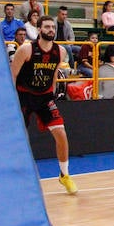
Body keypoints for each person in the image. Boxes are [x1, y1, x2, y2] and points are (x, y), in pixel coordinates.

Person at [10, 15, 77, 194]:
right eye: (47, 27)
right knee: (20, 138)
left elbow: (54, 72)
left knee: (61, 134)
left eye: (53, 28)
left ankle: (65, 175)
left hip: (45, 98)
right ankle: (17, 175)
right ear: (39, 29)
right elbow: (12, 75)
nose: (51, 30)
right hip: (24, 96)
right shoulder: (26, 49)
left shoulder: (60, 51)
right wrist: (12, 100)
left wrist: (53, 90)